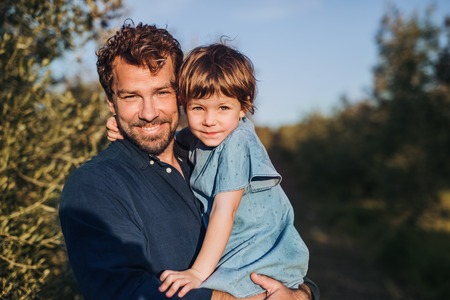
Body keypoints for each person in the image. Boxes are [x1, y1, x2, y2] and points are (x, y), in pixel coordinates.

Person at [60, 21, 319, 300]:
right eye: (131, 96)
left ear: (179, 96)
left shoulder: (204, 153)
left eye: (161, 92)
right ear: (112, 103)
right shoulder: (95, 185)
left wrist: (300, 295)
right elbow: (121, 292)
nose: (148, 113)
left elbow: (276, 265)